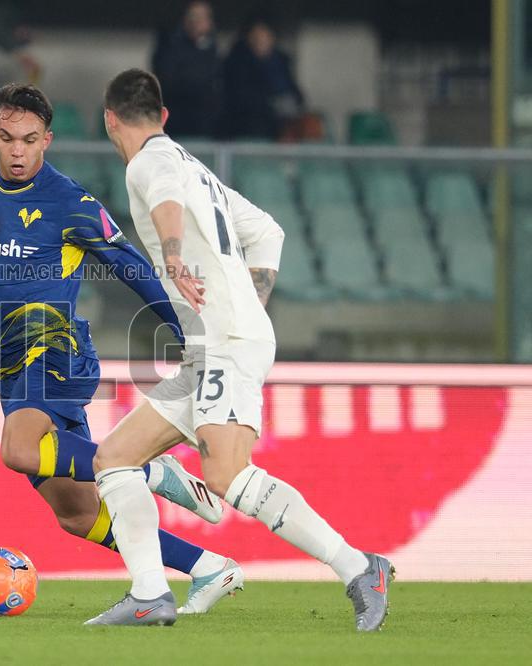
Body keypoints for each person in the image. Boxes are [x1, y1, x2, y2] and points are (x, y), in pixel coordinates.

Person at [0, 83, 243, 614]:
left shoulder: (71, 201)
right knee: (78, 515)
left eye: (29, 140)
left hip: (56, 351)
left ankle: (150, 470)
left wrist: (182, 330)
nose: (17, 151)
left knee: (17, 450)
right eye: (7, 138)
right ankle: (209, 567)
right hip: (12, 365)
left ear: (48, 140)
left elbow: (130, 265)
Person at [84, 68, 391, 629]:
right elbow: (268, 230)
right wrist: (252, 304)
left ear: (109, 118)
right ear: (165, 115)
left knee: (227, 475)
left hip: (225, 341)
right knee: (114, 459)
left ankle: (358, 567)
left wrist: (174, 258)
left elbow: (166, 201)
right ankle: (151, 593)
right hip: (215, 343)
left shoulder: (152, 163)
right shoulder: (194, 167)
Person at [222, 18, 304, 140]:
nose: (261, 41)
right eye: (256, 37)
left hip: (282, 129)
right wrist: (271, 104)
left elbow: (296, 94)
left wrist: (291, 103)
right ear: (248, 38)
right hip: (248, 127)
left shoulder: (281, 61)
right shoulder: (237, 63)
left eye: (265, 36)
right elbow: (239, 97)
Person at [152, 1, 221, 138]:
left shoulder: (212, 49)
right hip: (175, 125)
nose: (197, 22)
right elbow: (167, 81)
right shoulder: (169, 46)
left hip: (205, 128)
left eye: (202, 17)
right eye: (193, 16)